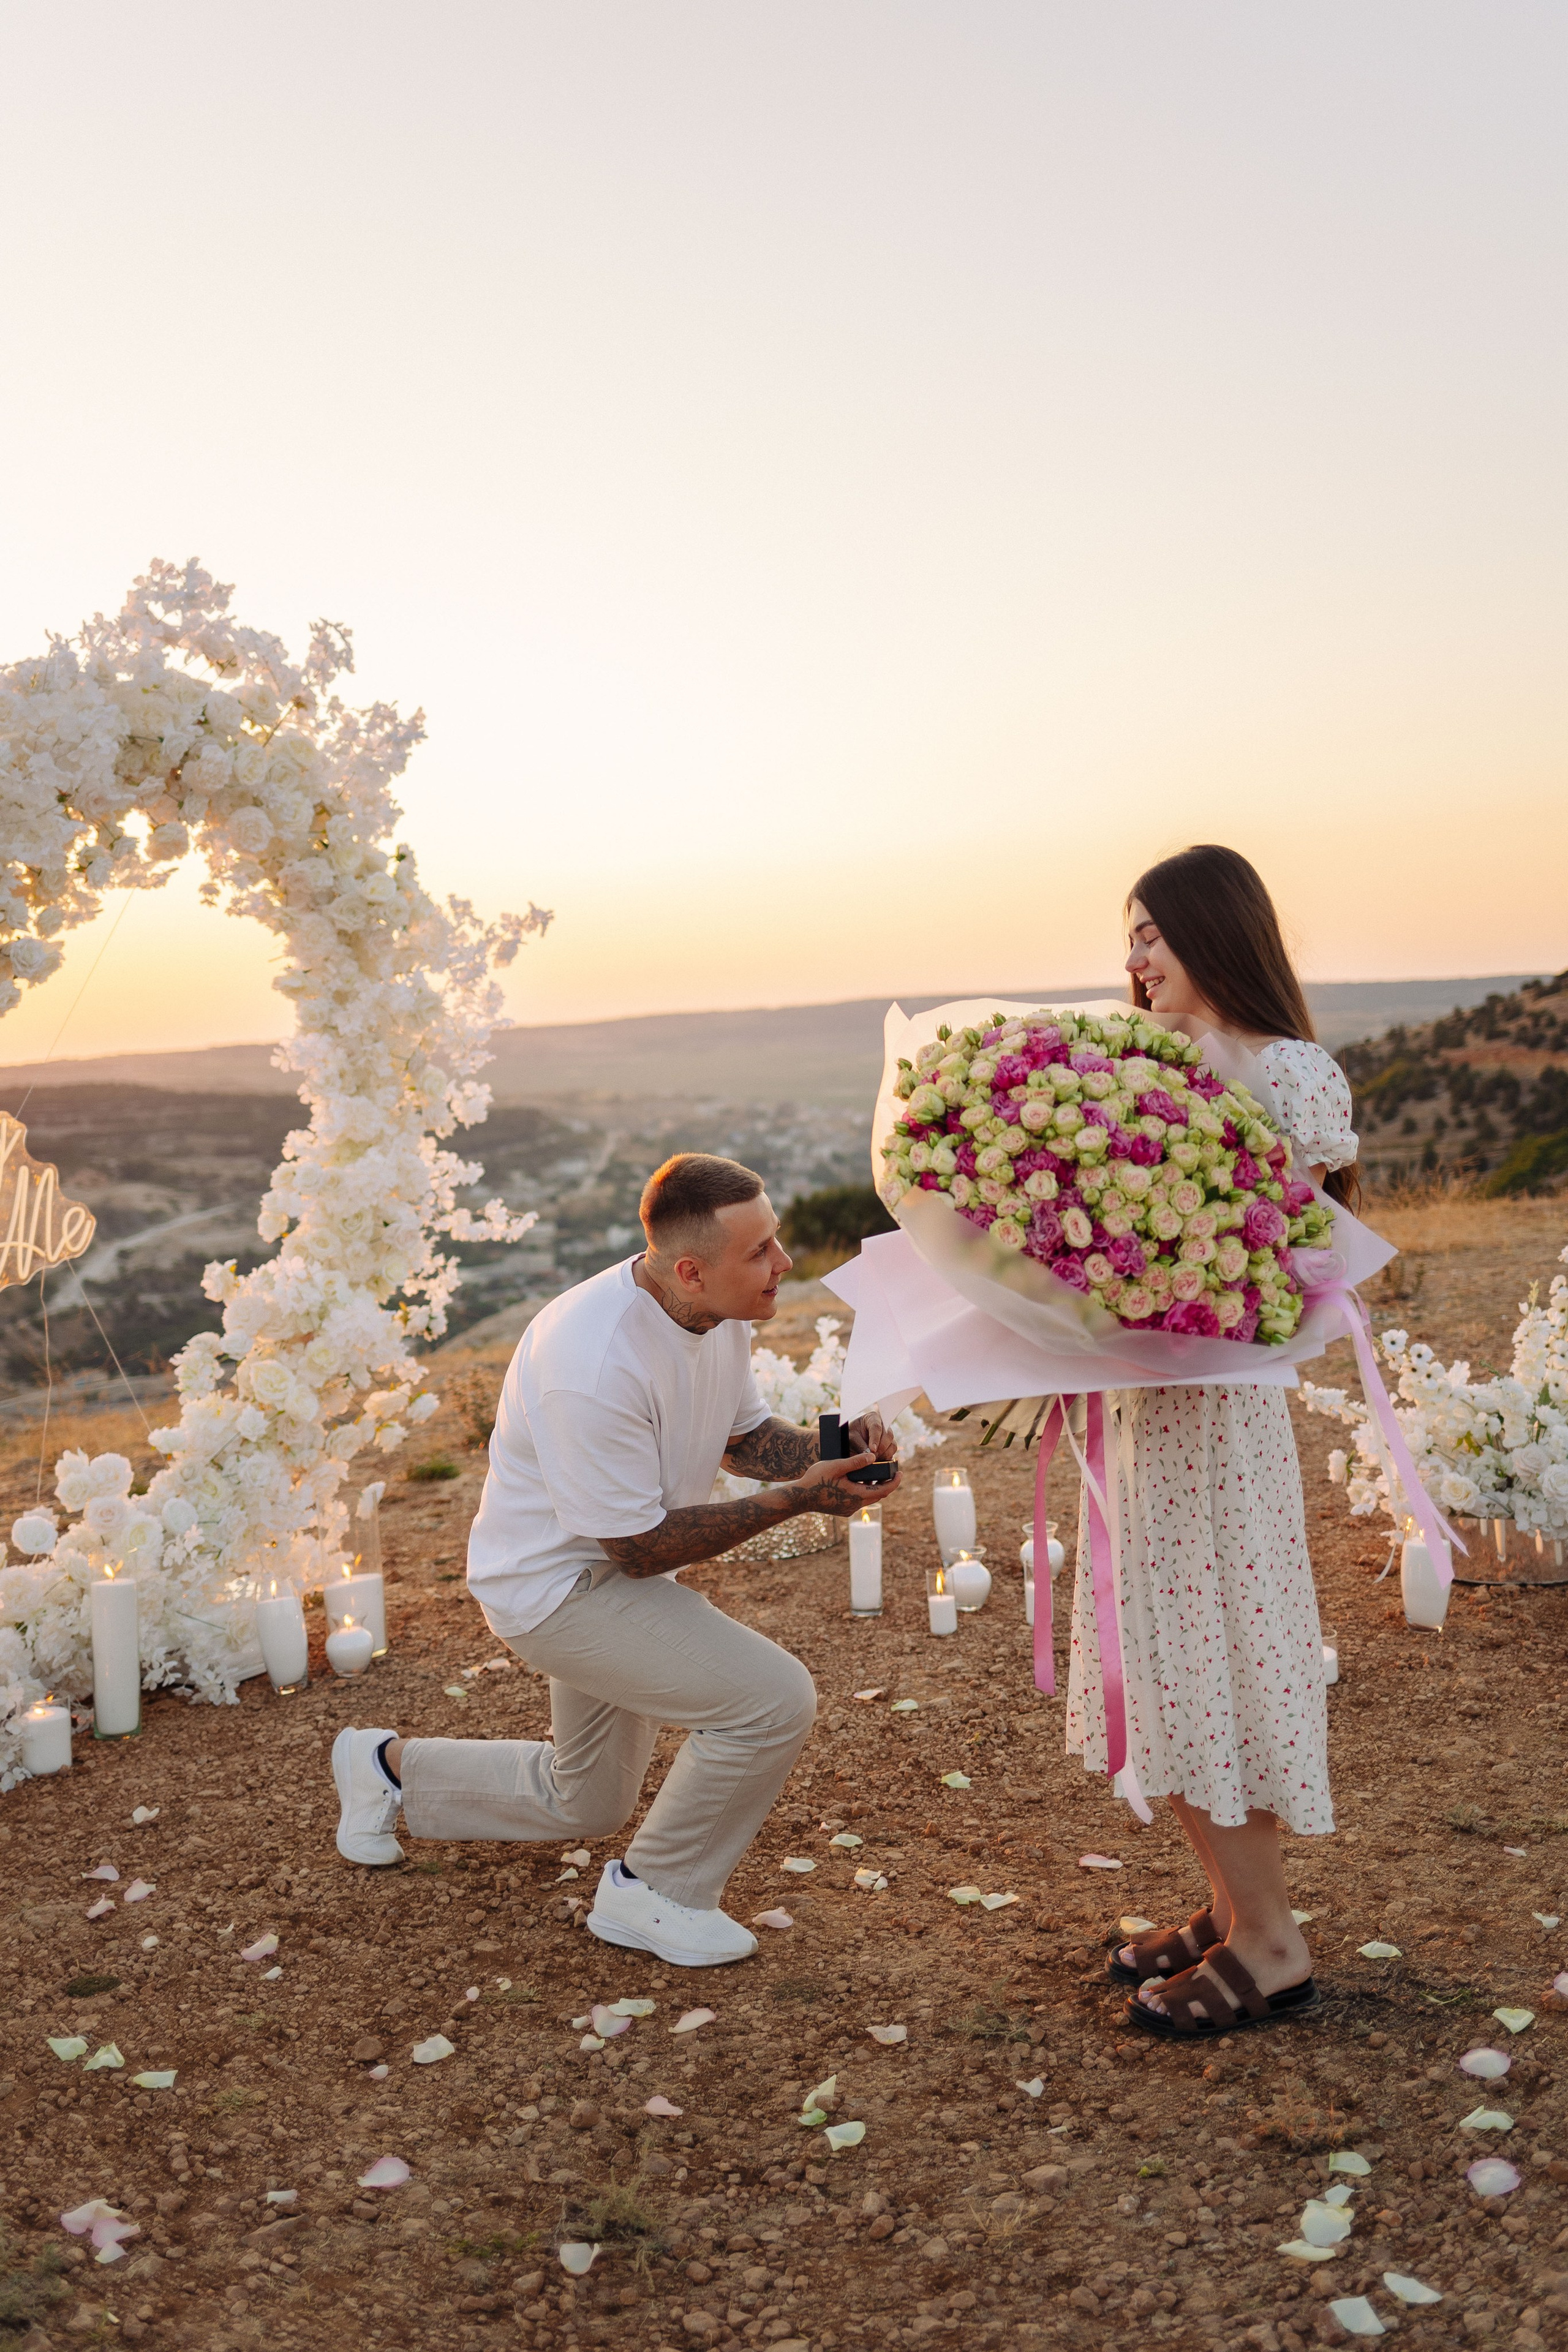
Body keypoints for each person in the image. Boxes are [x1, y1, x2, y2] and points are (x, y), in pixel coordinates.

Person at [330, 1151, 899, 1967]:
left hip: (616, 1568)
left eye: (775, 1241)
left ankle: (387, 1773)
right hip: (557, 1591)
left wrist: (833, 1454)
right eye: (761, 1252)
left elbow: (744, 1440)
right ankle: (655, 1893)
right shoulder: (591, 1363)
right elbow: (636, 1550)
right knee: (771, 1700)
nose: (783, 1264)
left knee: (587, 1798)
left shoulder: (717, 1315)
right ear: (693, 1270)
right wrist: (801, 1498)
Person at [1079, 843, 1359, 2038]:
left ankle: (1271, 1942)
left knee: (1217, 1660)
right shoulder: (1129, 1061)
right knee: (1162, 1660)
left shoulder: (1287, 1072)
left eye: (1151, 933)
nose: (1133, 957)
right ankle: (1223, 1907)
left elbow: (1298, 1252)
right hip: (1145, 1402)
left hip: (1220, 1406)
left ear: (1212, 932)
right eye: (1127, 937)